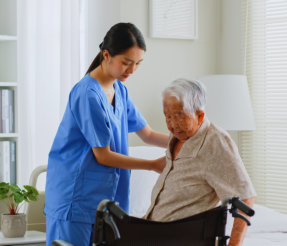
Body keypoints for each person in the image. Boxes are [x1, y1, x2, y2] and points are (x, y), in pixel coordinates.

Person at [44, 22, 169, 246]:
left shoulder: (119, 90)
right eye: (126, 62)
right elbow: (102, 155)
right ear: (106, 55)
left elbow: (148, 134)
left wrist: (192, 141)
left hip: (107, 198)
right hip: (75, 199)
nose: (132, 70)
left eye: (138, 64)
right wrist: (152, 165)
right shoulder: (88, 94)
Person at [144, 78, 256, 246]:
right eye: (168, 117)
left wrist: (233, 245)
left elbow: (245, 197)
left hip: (184, 238)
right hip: (152, 234)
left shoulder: (216, 142)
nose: (173, 125)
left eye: (179, 116)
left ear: (200, 115)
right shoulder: (177, 136)